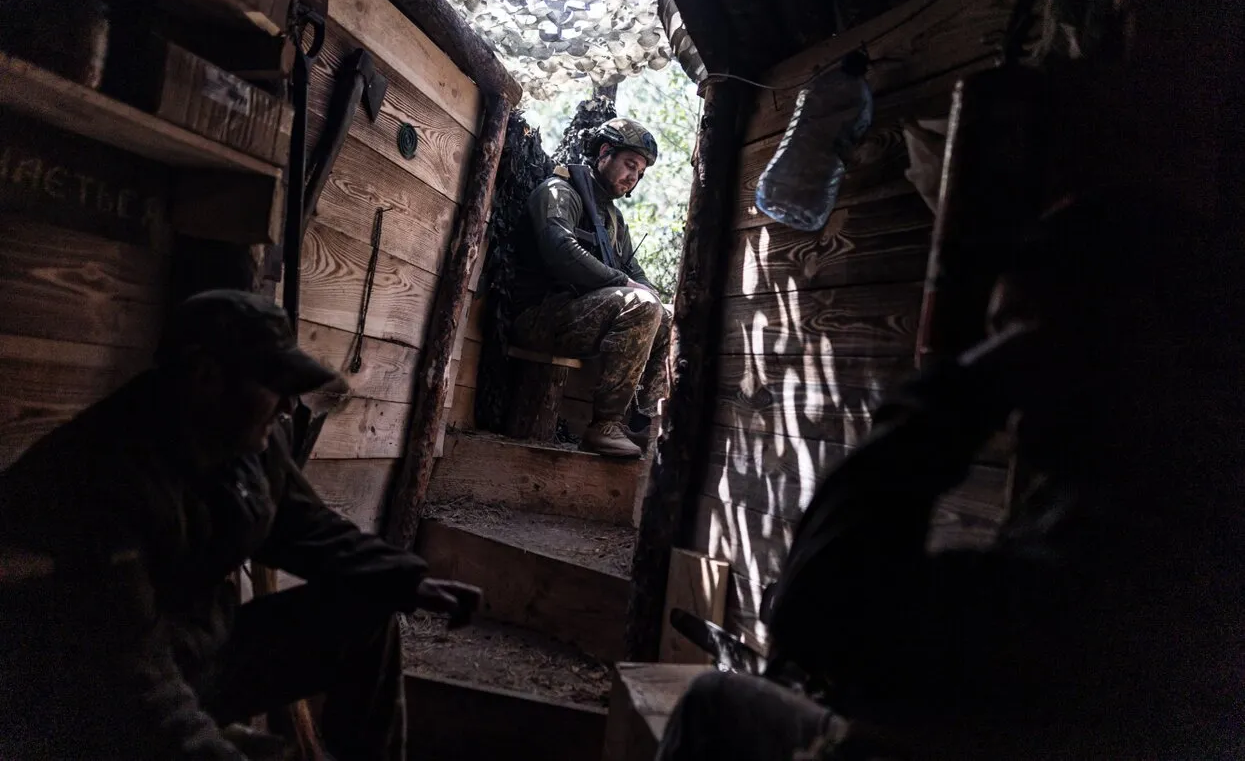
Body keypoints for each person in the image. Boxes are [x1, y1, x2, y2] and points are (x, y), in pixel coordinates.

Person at [656, 192, 1244, 760]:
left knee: (714, 705)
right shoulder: (1149, 498)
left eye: (1028, 348)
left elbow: (818, 606)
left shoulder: (1146, 544)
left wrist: (956, 394)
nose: (1018, 398)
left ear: (1127, 344)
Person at [0, 289, 482, 761]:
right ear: (207, 377)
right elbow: (130, 678)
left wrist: (406, 577)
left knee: (368, 610)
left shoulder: (240, 441)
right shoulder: (99, 479)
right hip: (82, 703)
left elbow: (300, 524)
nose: (289, 407)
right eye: (274, 384)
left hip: (201, 653)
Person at [511, 117, 672, 457]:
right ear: (604, 153)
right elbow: (559, 250)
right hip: (539, 316)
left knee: (667, 317)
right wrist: (625, 285)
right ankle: (604, 426)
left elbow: (636, 273)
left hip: (580, 316)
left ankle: (640, 424)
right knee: (641, 305)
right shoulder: (560, 191)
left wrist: (652, 294)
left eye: (640, 172)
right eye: (630, 165)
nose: (634, 177)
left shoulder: (614, 219)